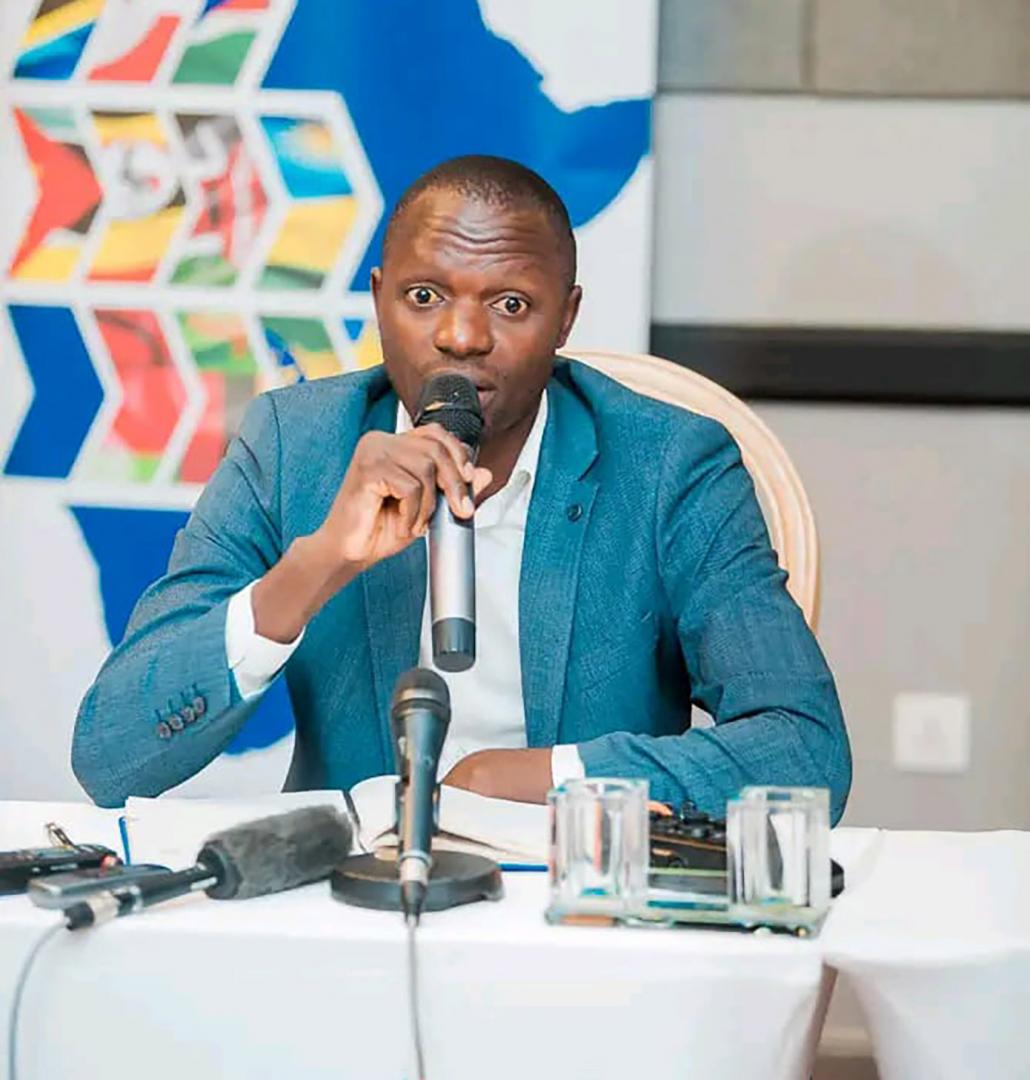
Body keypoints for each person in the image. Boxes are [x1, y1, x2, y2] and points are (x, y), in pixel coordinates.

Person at [72, 155, 851, 821]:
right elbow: (110, 756)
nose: (461, 337)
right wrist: (316, 566)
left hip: (578, 898)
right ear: (379, 299)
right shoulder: (291, 444)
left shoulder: (670, 465)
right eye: (424, 297)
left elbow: (804, 751)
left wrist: (539, 779)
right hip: (352, 904)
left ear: (566, 318)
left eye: (510, 304)